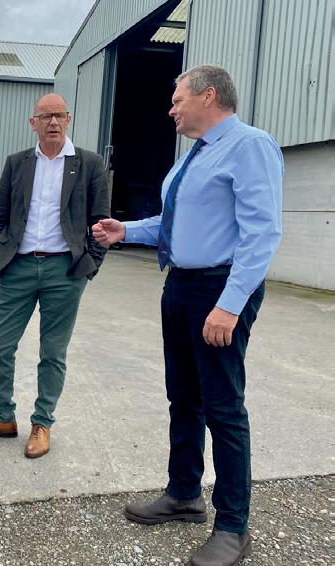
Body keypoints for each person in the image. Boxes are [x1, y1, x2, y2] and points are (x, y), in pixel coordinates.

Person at [92, 65, 283, 566]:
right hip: (180, 285)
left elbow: (262, 232)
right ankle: (183, 493)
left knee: (223, 406)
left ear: (208, 95)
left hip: (218, 289)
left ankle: (233, 527)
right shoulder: (193, 157)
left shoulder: (249, 146)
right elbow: (177, 223)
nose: (171, 109)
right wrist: (126, 231)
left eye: (178, 100)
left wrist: (229, 304)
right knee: (183, 396)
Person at [0, 93, 110, 459]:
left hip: (65, 270)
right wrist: (1, 253)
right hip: (19, 267)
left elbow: (101, 222)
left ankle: (42, 423)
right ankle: (2, 416)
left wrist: (89, 265)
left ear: (68, 119)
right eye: (45, 116)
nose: (53, 122)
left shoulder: (89, 164)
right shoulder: (18, 163)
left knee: (53, 352)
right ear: (33, 123)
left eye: (59, 115)